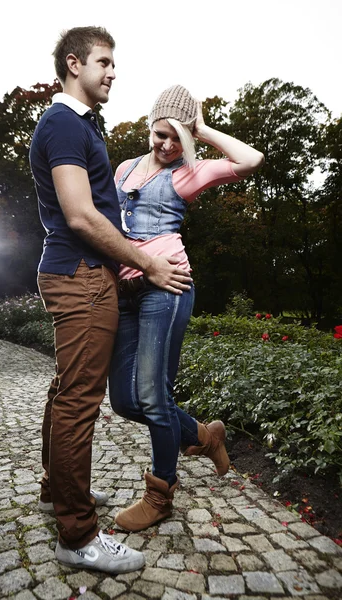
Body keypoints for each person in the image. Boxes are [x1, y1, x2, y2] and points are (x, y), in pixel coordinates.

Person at [29, 30, 192, 574]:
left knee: (64, 391)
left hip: (77, 272)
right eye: (104, 62)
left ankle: (58, 489)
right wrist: (146, 263)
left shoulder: (79, 125)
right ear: (74, 64)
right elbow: (80, 214)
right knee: (79, 401)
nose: (113, 72)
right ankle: (77, 536)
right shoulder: (63, 124)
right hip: (81, 275)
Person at [109, 84, 265, 532]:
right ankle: (203, 435)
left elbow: (250, 160)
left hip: (168, 288)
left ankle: (160, 494)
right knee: (123, 400)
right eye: (160, 134)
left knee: (155, 394)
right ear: (149, 126)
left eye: (176, 138)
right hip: (126, 292)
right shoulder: (123, 168)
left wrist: (202, 128)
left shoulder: (188, 172)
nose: (165, 145)